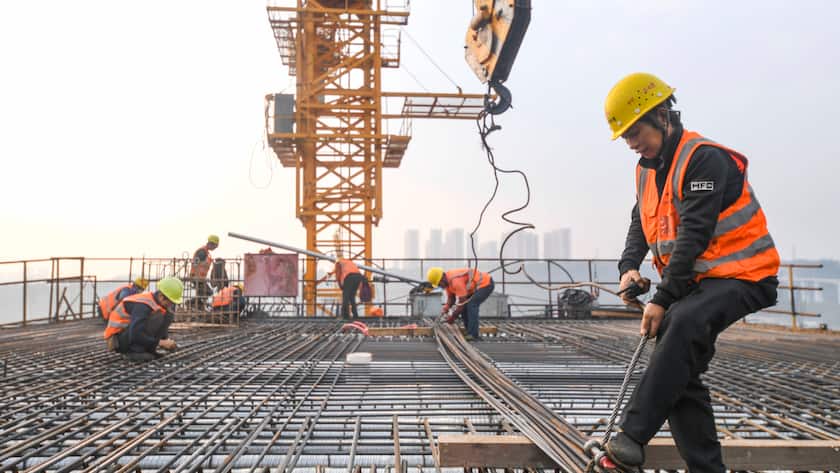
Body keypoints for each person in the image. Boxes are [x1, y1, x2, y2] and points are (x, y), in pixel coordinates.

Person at [603, 72, 780, 473]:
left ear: (662, 116)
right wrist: (628, 266)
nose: (631, 143)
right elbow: (640, 221)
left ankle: (631, 438)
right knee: (678, 368)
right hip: (698, 283)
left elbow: (694, 236)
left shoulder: (703, 158)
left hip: (744, 276)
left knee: (680, 323)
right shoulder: (645, 168)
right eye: (625, 136)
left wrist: (663, 299)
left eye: (635, 132)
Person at [103, 277, 183, 361]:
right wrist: (160, 343)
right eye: (170, 302)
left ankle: (149, 350)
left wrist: (166, 341)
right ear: (161, 296)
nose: (171, 305)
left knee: (168, 314)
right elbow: (136, 333)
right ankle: (133, 352)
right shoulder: (143, 305)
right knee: (157, 317)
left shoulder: (156, 304)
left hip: (128, 335)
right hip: (118, 341)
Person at [426, 267, 495, 341]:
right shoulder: (448, 283)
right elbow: (451, 299)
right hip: (473, 288)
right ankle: (469, 331)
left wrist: (453, 317)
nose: (440, 286)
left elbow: (462, 303)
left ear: (442, 278)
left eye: (439, 284)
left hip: (485, 284)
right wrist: (445, 309)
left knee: (471, 305)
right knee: (465, 307)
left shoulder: (455, 281)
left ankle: (473, 335)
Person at [189, 234, 219, 302]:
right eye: (215, 246)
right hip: (196, 277)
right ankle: (191, 303)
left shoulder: (206, 252)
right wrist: (195, 275)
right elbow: (195, 263)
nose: (215, 248)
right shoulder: (202, 252)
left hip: (200, 278)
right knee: (208, 292)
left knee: (202, 293)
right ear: (211, 244)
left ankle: (198, 305)